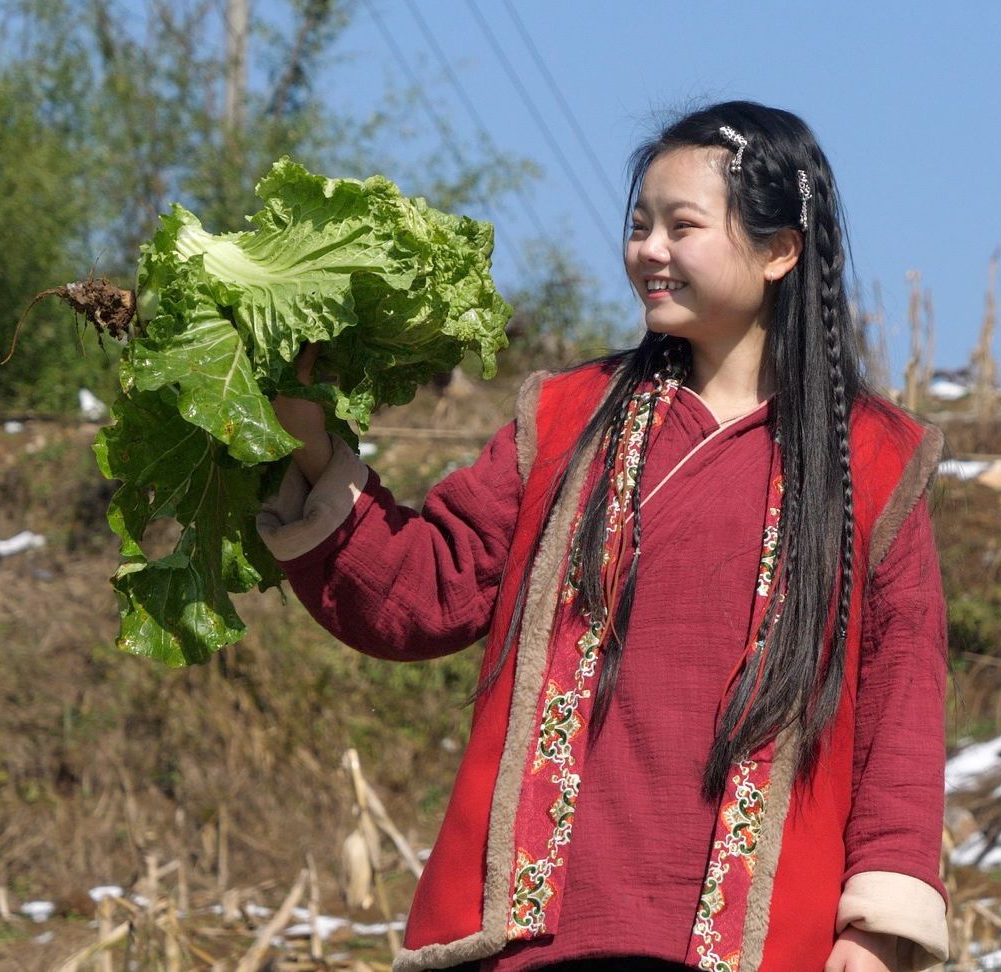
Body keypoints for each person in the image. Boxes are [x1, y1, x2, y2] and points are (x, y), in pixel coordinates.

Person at [261, 101, 949, 972]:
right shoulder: (564, 417)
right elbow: (426, 589)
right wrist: (309, 442)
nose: (648, 250)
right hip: (540, 941)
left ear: (780, 251)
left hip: (766, 939)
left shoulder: (875, 460)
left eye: (681, 226)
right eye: (638, 226)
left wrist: (879, 923)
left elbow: (903, 709)